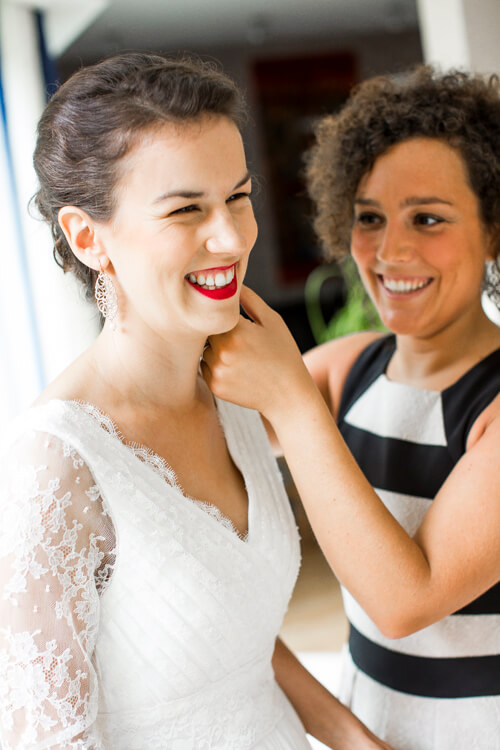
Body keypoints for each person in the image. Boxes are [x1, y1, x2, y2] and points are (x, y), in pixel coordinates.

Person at [0, 53, 393, 750]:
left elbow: (234, 640)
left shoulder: (235, 395)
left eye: (238, 197)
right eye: (187, 209)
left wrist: (357, 740)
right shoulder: (54, 466)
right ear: (88, 238)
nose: (232, 237)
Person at [202, 66, 500, 749]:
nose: (390, 251)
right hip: (372, 721)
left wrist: (291, 401)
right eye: (369, 218)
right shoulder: (349, 368)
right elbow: (186, 441)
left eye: (428, 218)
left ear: (493, 230)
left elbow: (403, 603)